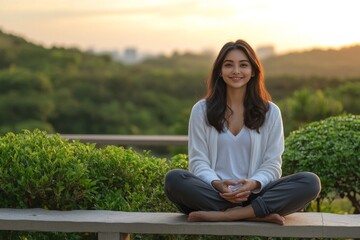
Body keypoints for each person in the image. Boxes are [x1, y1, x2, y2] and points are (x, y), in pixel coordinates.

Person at [164, 39, 321, 225]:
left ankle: (227, 215)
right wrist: (217, 184)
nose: (236, 71)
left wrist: (253, 183)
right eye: (229, 65)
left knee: (310, 182)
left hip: (256, 194)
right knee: (174, 179)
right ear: (220, 72)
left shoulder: (271, 112)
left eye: (243, 65)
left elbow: (272, 165)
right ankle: (255, 214)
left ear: (253, 71)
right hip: (214, 193)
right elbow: (198, 161)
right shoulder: (201, 110)